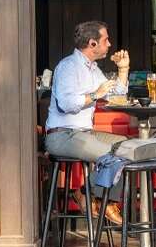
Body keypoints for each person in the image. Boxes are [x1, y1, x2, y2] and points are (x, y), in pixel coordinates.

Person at [45, 21, 131, 224]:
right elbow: (66, 104)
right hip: (62, 134)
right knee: (111, 155)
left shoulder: (92, 69)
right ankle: (104, 201)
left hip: (84, 133)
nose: (109, 44)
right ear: (92, 44)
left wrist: (123, 69)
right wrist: (95, 95)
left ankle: (86, 194)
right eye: (105, 40)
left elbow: (117, 93)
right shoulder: (68, 67)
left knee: (125, 146)